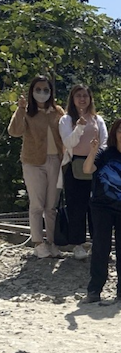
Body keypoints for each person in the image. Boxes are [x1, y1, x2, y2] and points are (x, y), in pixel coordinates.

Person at [81, 118, 121, 303]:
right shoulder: (104, 153)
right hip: (103, 207)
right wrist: (92, 151)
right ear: (114, 132)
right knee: (101, 247)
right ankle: (94, 290)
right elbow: (87, 169)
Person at [8, 76, 65, 258]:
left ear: (51, 92)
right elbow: (14, 131)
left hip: (55, 160)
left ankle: (52, 241)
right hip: (33, 162)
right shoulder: (27, 111)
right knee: (37, 204)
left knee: (51, 205)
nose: (42, 93)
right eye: (38, 89)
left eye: (45, 90)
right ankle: (38, 242)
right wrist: (20, 109)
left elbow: (66, 134)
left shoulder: (57, 112)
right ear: (32, 92)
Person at [58, 84, 107, 260]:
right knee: (76, 205)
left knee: (96, 206)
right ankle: (77, 244)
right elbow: (68, 143)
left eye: (85, 95)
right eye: (78, 95)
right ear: (72, 98)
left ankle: (98, 243)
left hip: (95, 164)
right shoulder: (66, 120)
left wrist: (97, 156)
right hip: (74, 165)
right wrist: (78, 127)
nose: (82, 99)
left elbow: (105, 141)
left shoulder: (97, 119)